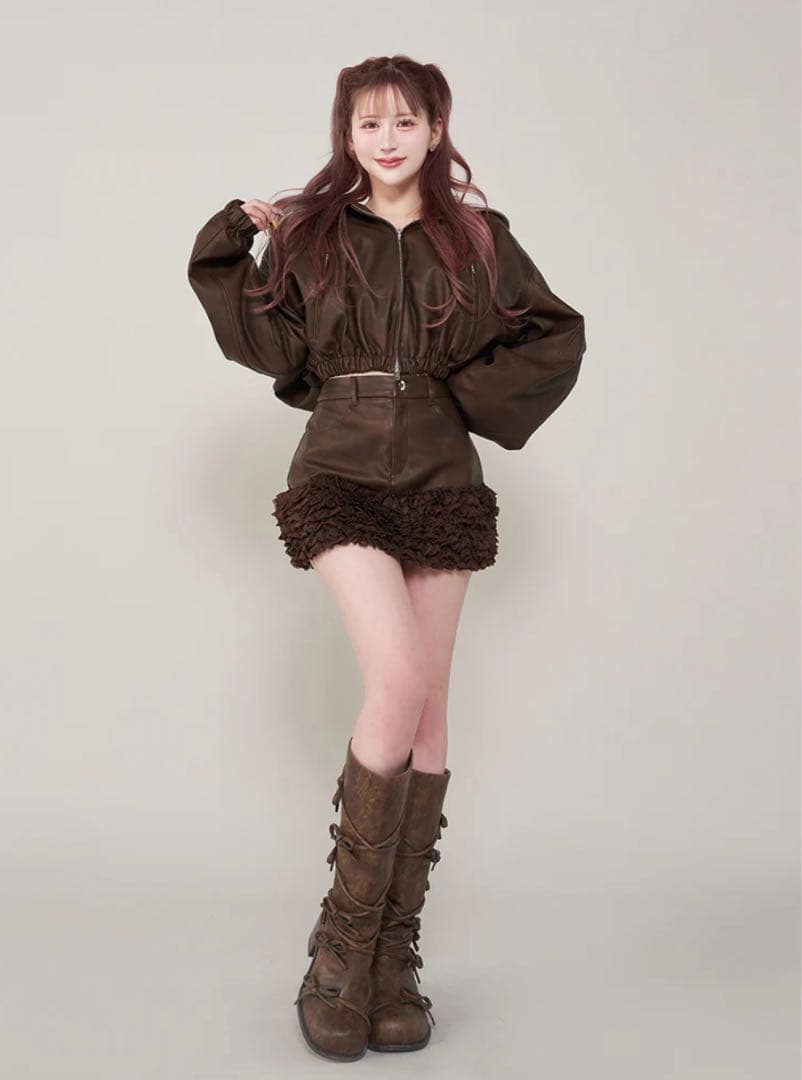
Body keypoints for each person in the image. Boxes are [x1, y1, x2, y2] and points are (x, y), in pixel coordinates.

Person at [187, 54, 586, 1063]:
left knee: (431, 715)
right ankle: (339, 952)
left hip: (444, 479)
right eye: (369, 123)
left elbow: (553, 333)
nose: (388, 139)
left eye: (406, 121)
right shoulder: (314, 235)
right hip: (340, 469)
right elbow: (268, 346)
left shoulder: (480, 239)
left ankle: (393, 961)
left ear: (436, 128)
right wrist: (233, 241)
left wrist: (460, 394)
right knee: (396, 682)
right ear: (346, 134)